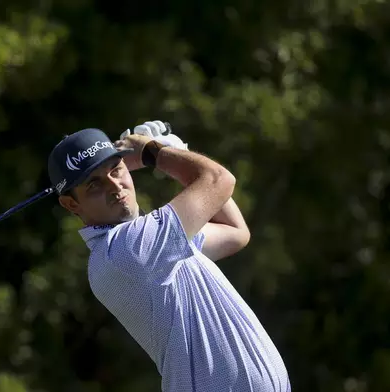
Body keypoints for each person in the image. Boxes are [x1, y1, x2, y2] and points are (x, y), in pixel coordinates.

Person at [46, 120, 291, 392]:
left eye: (116, 169)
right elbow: (219, 180)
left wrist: (176, 153)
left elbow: (235, 232)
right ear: (71, 204)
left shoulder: (153, 242)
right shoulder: (128, 248)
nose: (115, 186)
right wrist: (154, 153)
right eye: (94, 184)